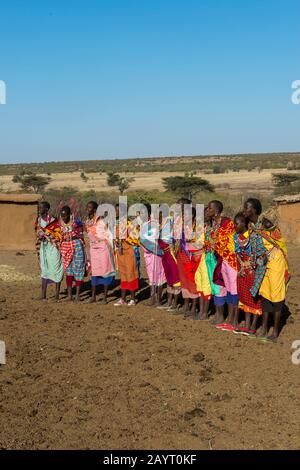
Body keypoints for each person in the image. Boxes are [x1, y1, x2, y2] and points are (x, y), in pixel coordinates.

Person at [244, 198, 290, 342]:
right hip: (262, 264)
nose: (244, 210)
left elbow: (277, 239)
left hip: (275, 262)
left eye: (247, 208)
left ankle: (275, 331)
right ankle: (264, 328)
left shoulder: (266, 223)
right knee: (265, 295)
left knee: (276, 297)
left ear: (255, 210)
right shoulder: (251, 225)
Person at [206, 200, 239, 330]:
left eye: (209, 209)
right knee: (226, 288)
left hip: (231, 260)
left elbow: (228, 243)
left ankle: (233, 319)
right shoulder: (215, 224)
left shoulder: (228, 223)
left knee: (233, 289)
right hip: (221, 260)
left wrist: (215, 245)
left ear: (216, 210)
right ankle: (229, 318)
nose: (207, 211)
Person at [233, 212, 262, 336]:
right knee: (244, 297)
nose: (234, 226)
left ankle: (254, 326)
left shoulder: (254, 236)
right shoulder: (236, 237)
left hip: (253, 270)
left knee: (254, 298)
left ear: (244, 224)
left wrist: (249, 265)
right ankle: (247, 324)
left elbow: (258, 253)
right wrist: (241, 268)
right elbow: (237, 253)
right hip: (242, 270)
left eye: (237, 223)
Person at [85, 201, 115, 304]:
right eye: (87, 207)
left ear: (94, 209)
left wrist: (111, 246)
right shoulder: (88, 222)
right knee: (95, 272)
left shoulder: (102, 221)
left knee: (105, 272)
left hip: (103, 248)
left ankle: (105, 298)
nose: (87, 209)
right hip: (93, 249)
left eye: (89, 207)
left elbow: (109, 234)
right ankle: (93, 297)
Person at [175, 200, 200, 318]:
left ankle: (194, 307)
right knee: (184, 280)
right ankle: (186, 306)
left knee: (192, 281)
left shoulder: (196, 225)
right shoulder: (181, 224)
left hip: (191, 257)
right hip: (181, 255)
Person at [35, 201, 64, 301]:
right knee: (44, 269)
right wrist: (40, 235)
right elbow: (37, 231)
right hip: (44, 248)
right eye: (39, 207)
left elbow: (58, 235)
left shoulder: (54, 221)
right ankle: (43, 295)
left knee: (56, 268)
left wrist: (47, 235)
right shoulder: (38, 220)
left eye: (41, 208)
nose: (39, 209)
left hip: (53, 248)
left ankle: (56, 295)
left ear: (47, 209)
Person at [140, 203, 166, 306]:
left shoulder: (154, 224)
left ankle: (158, 300)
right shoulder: (145, 224)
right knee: (152, 277)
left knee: (158, 277)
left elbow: (154, 240)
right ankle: (153, 298)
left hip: (156, 254)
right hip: (149, 255)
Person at [114, 204, 140, 306]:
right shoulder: (117, 224)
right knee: (123, 274)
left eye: (119, 211)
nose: (117, 213)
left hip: (129, 251)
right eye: (116, 211)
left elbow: (136, 239)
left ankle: (133, 299)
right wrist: (117, 241)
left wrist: (125, 240)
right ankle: (123, 299)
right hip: (120, 252)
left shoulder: (131, 224)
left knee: (131, 273)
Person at [59, 205, 86, 302]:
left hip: (77, 246)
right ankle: (70, 295)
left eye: (65, 216)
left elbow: (81, 232)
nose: (64, 218)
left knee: (79, 269)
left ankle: (78, 295)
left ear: (70, 214)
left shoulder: (76, 222)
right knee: (68, 271)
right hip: (65, 248)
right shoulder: (60, 224)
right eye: (62, 216)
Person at [157, 209, 181, 312]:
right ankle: (169, 303)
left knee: (176, 279)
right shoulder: (160, 226)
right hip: (164, 254)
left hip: (171, 253)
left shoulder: (171, 224)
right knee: (169, 278)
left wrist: (174, 249)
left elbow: (177, 240)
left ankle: (175, 304)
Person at [194, 207, 212, 320]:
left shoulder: (211, 229)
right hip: (197, 259)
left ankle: (205, 312)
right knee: (199, 284)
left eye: (206, 213)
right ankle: (201, 311)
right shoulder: (199, 228)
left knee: (206, 285)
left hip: (206, 259)